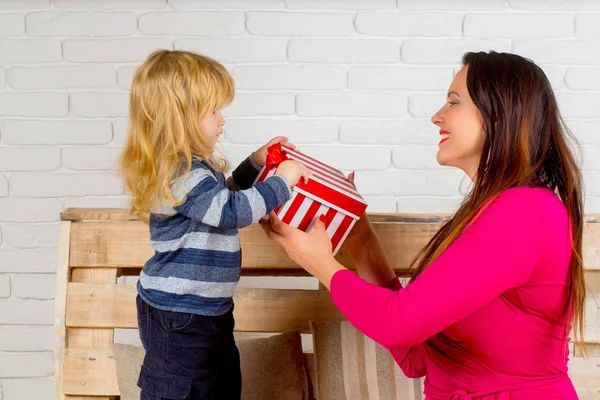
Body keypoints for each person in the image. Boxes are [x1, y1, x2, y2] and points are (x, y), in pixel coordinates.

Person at [260, 51, 584, 399]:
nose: (436, 116)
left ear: (497, 114)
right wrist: (360, 240)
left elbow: (397, 325)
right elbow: (415, 355)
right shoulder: (498, 210)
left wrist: (320, 264)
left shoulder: (523, 213)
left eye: (453, 102)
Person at [119, 49, 310, 400]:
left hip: (206, 311)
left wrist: (256, 162)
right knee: (182, 391)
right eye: (213, 111)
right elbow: (231, 211)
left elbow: (223, 198)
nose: (222, 120)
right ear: (180, 118)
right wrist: (281, 183)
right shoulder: (181, 172)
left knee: (219, 386)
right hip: (179, 315)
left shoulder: (193, 169)